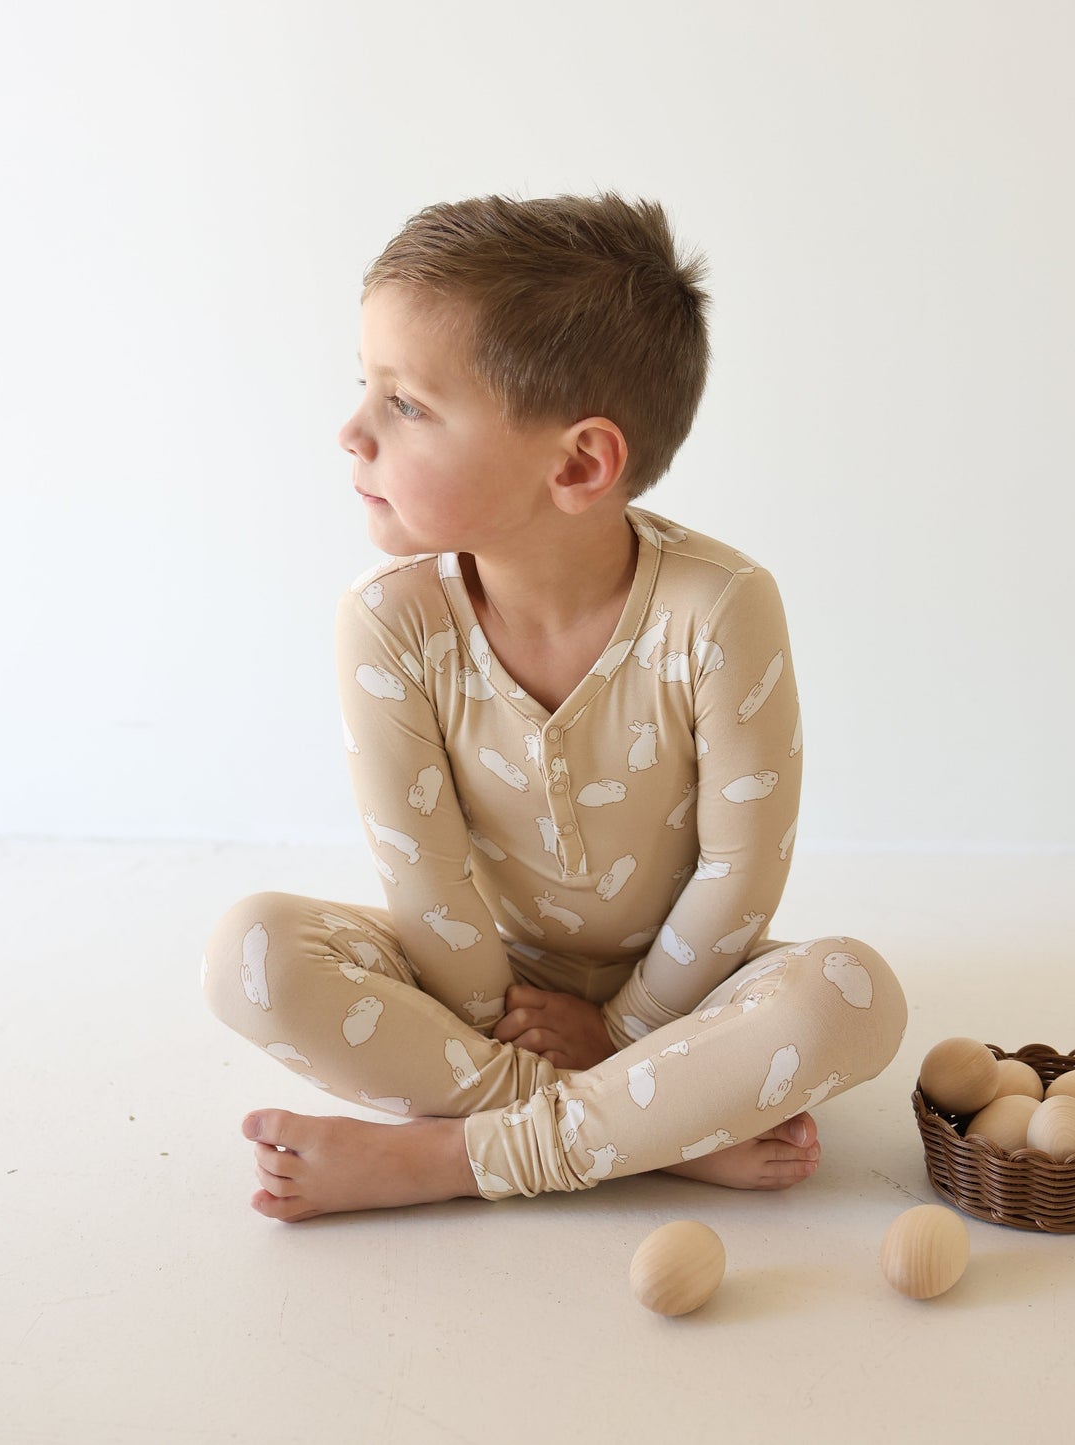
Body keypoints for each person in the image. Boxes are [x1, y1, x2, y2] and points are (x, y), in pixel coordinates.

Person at [201, 192, 907, 1220]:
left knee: (852, 994)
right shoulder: (389, 621)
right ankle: (647, 1131)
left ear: (578, 462)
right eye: (367, 387)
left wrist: (625, 1030)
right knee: (249, 954)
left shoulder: (718, 608)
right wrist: (521, 1030)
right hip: (476, 993)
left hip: (685, 990)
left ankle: (451, 1158)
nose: (351, 431)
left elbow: (739, 871)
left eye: (405, 405)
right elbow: (426, 881)